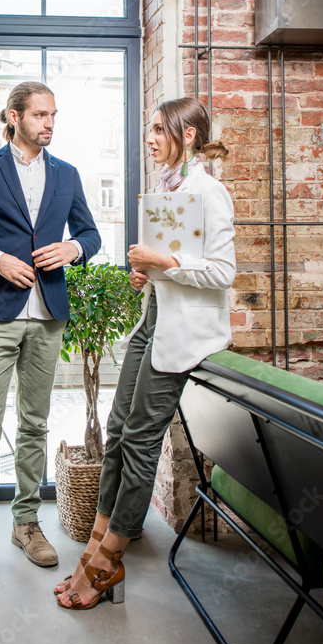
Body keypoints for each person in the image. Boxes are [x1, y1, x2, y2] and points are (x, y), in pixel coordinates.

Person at [56, 96, 235, 609]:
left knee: (138, 441)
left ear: (190, 136)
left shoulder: (210, 193)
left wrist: (164, 260)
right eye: (150, 130)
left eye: (160, 130)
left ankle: (108, 559)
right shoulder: (164, 191)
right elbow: (170, 268)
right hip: (151, 323)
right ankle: (94, 544)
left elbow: (223, 273)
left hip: (185, 334)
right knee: (116, 433)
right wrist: (147, 273)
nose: (151, 138)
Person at [0, 81, 101, 588]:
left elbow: (91, 234)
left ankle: (26, 524)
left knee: (35, 425)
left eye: (54, 115)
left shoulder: (68, 175)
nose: (49, 123)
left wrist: (73, 250)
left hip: (49, 314)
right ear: (14, 117)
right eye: (40, 115)